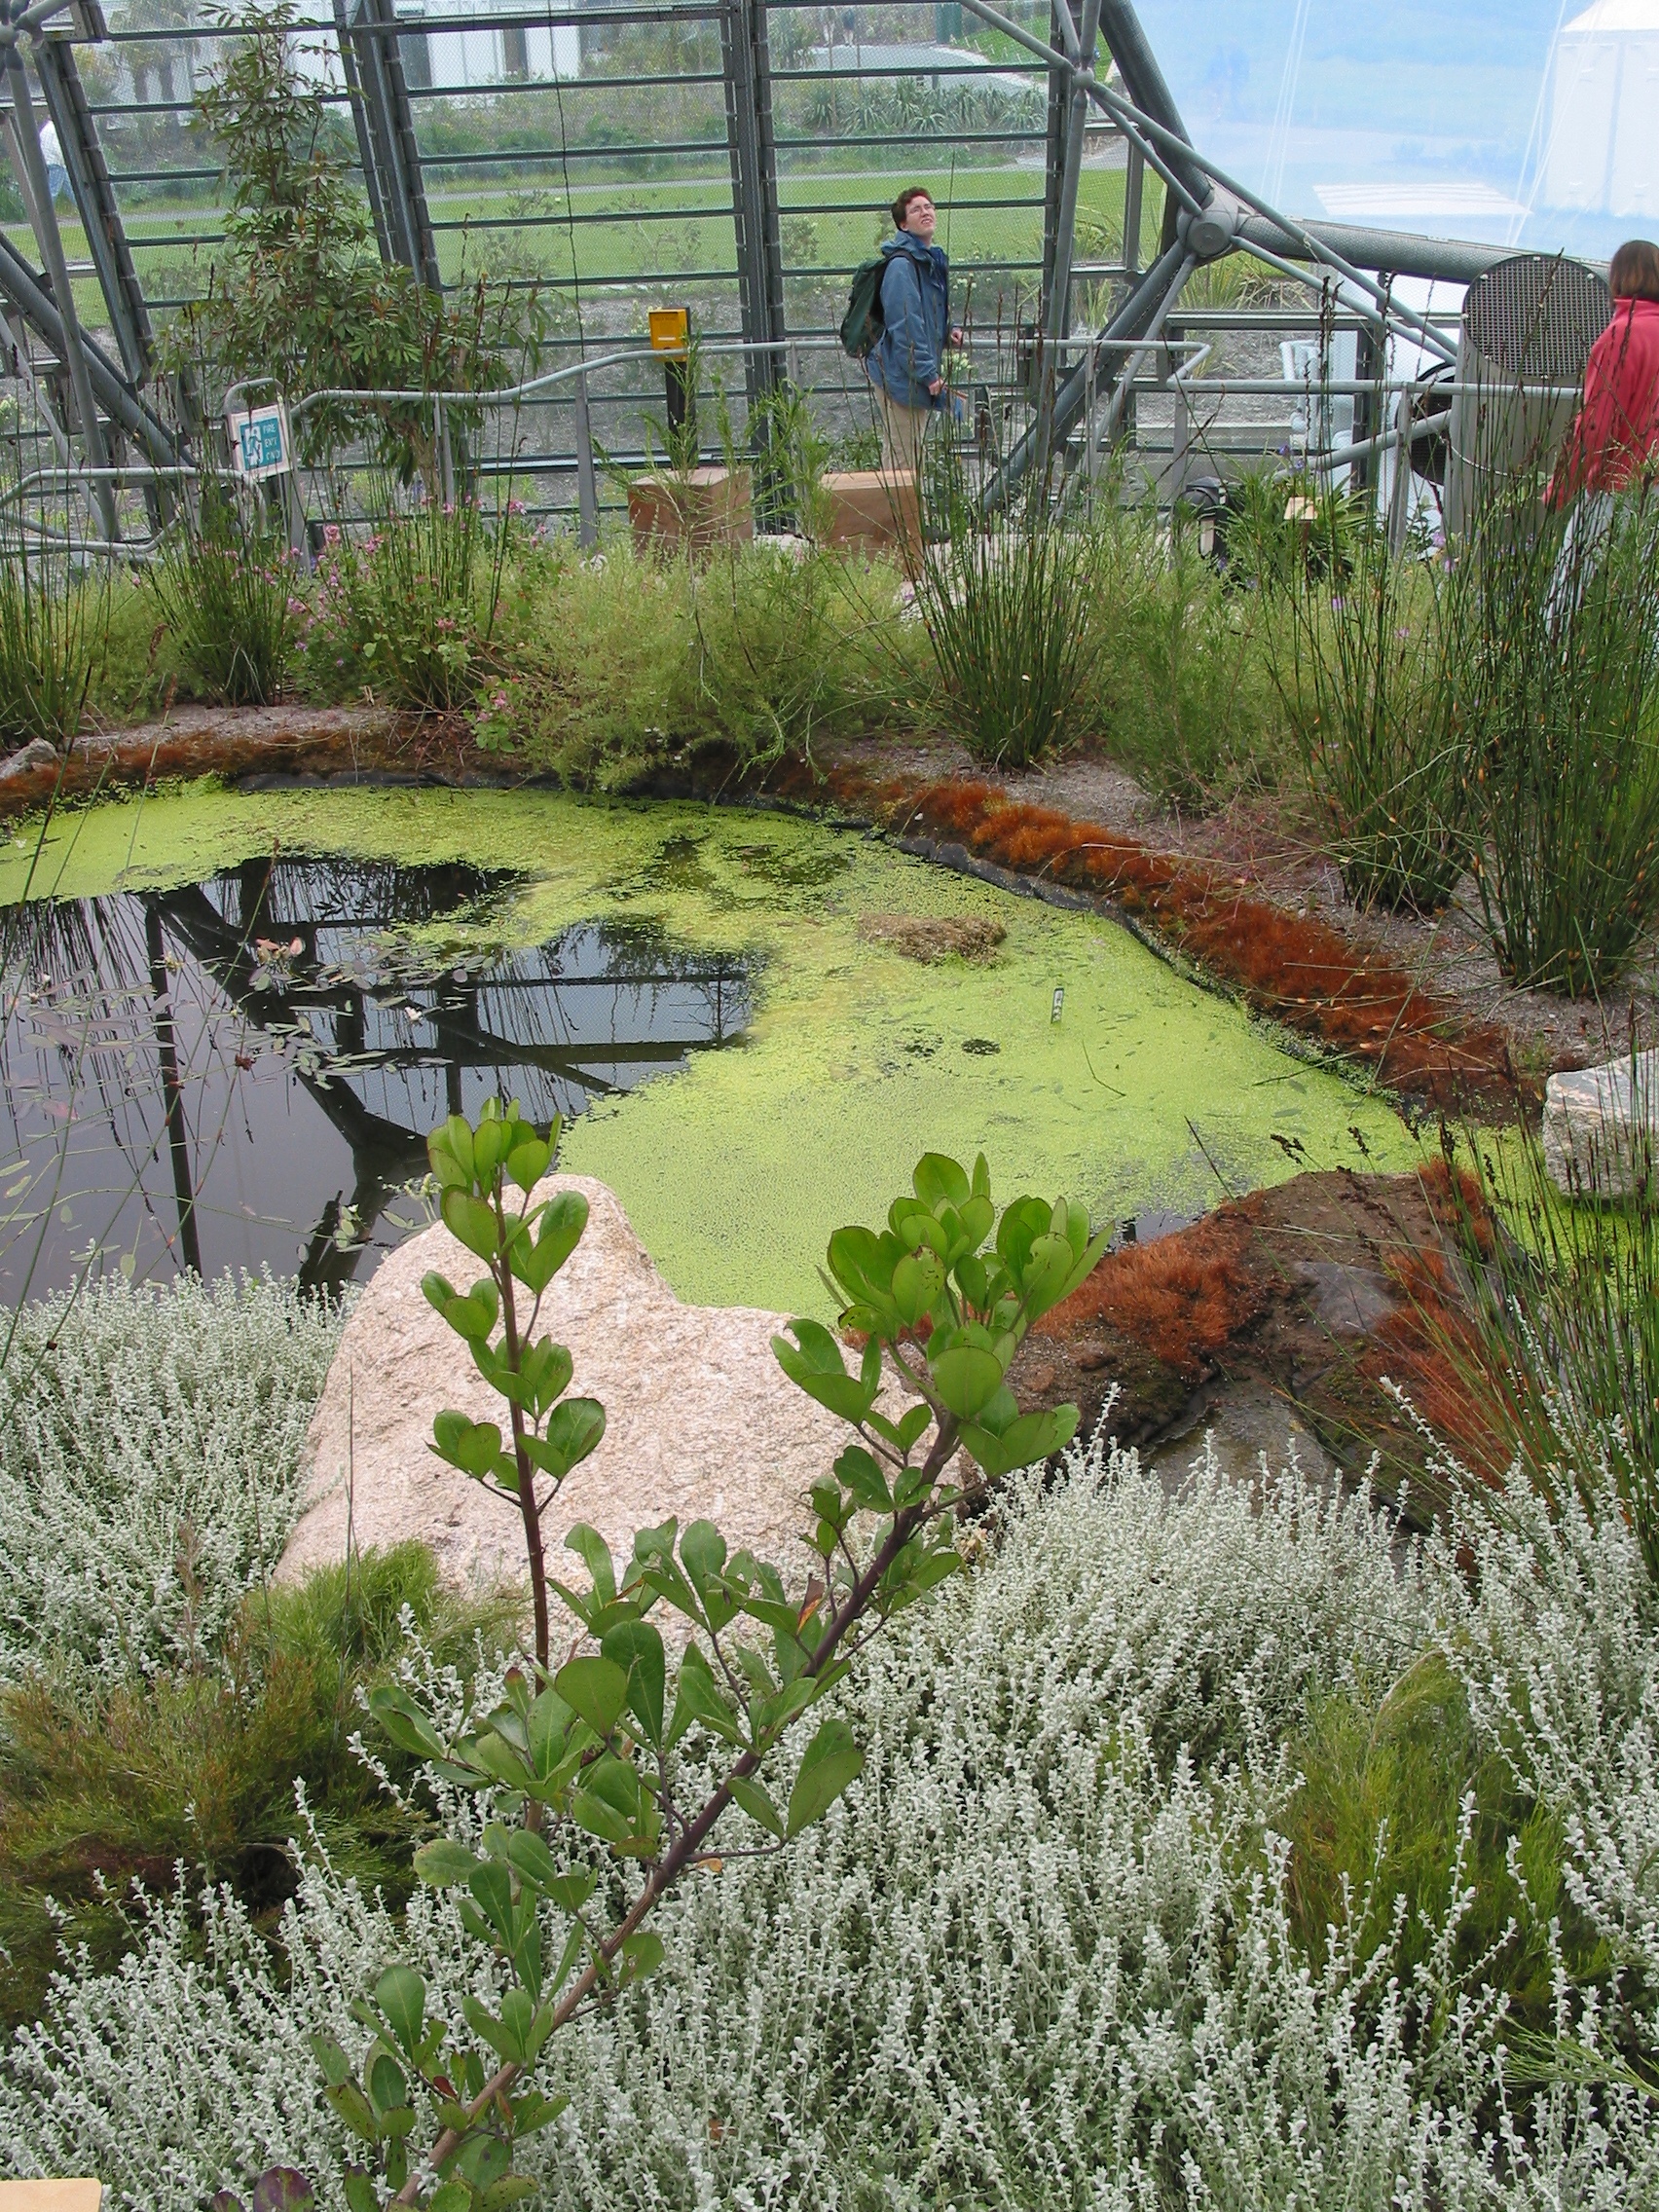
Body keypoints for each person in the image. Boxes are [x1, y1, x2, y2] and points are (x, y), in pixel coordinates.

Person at [1545, 240, 1659, 624]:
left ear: (1617, 280)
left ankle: (1552, 659)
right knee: (1648, 608)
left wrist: (1561, 488)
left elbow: (1595, 427)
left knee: (1565, 595)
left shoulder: (1620, 337)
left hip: (1619, 489)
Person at [866, 186, 964, 478]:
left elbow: (924, 313)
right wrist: (928, 374)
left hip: (908, 375)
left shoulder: (924, 262)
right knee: (904, 464)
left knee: (906, 457)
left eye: (929, 206)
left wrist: (947, 331)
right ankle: (900, 511)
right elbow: (906, 326)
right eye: (916, 210)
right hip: (901, 377)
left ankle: (901, 509)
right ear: (903, 224)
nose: (926, 212)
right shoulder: (902, 267)